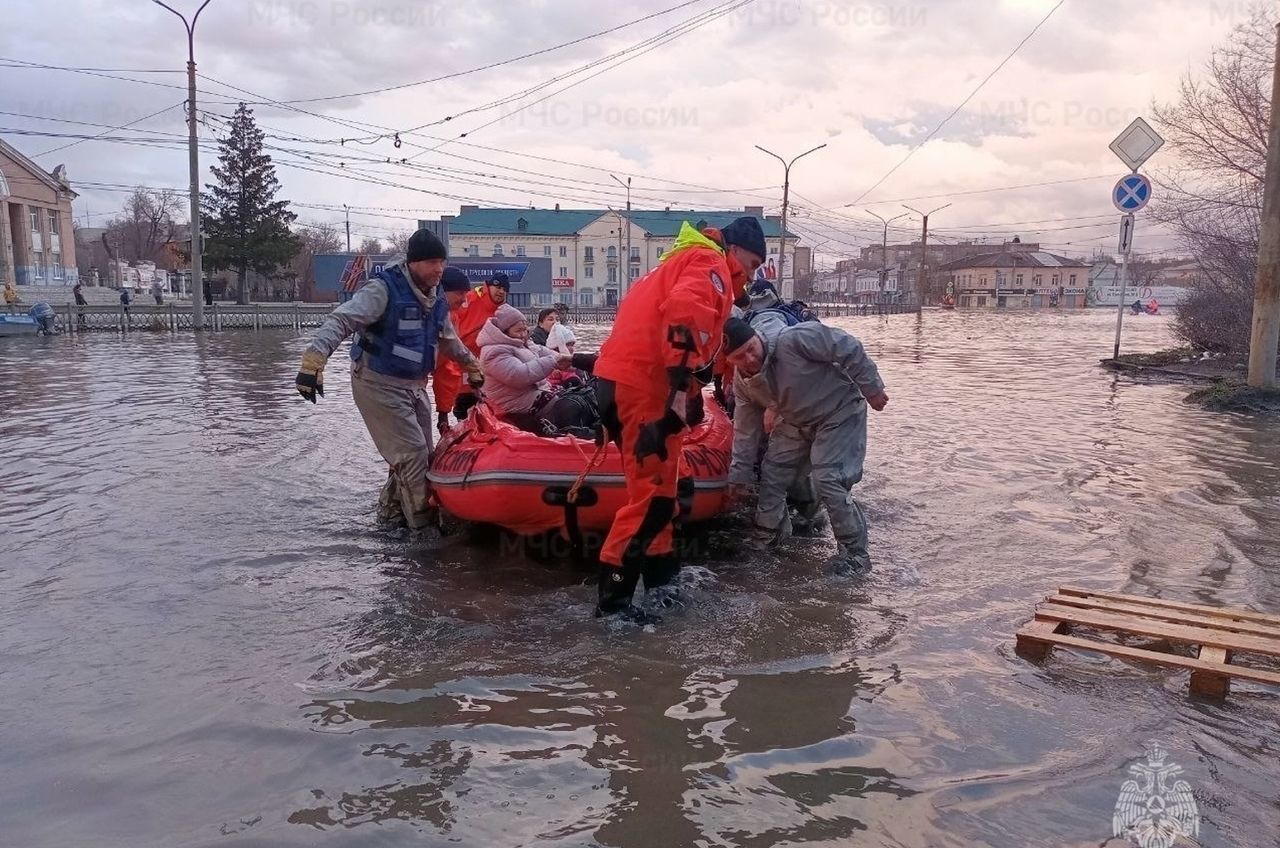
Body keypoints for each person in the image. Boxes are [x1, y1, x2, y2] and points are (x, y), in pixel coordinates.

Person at [591, 215, 765, 620]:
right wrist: (677, 388)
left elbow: (674, 325)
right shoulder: (710, 264)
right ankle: (613, 608)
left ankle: (662, 582)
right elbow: (686, 314)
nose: (751, 278)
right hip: (643, 389)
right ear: (735, 250)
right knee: (652, 501)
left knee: (668, 489)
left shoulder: (683, 261)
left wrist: (686, 390)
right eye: (753, 266)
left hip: (627, 383)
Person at [294, 228, 484, 530]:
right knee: (413, 455)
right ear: (413, 262)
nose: (439, 269)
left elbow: (449, 340)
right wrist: (314, 360)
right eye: (433, 262)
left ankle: (390, 519)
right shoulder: (383, 290)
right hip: (376, 382)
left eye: (442, 263)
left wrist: (472, 366)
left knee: (424, 456)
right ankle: (423, 530)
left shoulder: (435, 300)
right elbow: (342, 319)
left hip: (414, 386)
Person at [724, 316, 888, 576]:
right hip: (796, 419)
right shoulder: (742, 384)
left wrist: (871, 387)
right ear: (729, 362)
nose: (750, 360)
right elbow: (746, 431)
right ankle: (768, 539)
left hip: (839, 410)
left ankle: (855, 556)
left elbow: (846, 346)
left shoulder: (794, 340)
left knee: (830, 478)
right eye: (739, 358)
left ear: (756, 336)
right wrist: (739, 474)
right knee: (773, 474)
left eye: (750, 350)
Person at [477, 303, 572, 428]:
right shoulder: (494, 352)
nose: (523, 334)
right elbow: (517, 375)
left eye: (524, 330)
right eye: (518, 331)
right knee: (561, 406)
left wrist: (572, 360)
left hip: (529, 393)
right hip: (511, 401)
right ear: (505, 331)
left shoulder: (523, 343)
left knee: (571, 397)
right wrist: (553, 361)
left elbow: (543, 351)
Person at [434, 272, 510, 427]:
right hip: (460, 360)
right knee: (463, 402)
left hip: (485, 366)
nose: (501, 291)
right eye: (498, 286)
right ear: (488, 286)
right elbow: (446, 363)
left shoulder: (505, 312)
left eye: (504, 288)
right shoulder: (468, 300)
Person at [431, 267, 474, 434]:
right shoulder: (434, 314)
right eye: (460, 293)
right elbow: (446, 367)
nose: (464, 301)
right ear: (444, 291)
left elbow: (446, 368)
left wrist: (443, 413)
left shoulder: (451, 316)